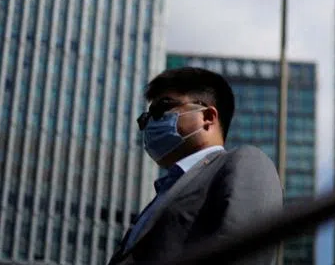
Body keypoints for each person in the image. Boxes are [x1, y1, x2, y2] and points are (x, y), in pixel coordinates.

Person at [108, 67, 283, 265]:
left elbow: (245, 251)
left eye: (161, 109)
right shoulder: (163, 193)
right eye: (145, 118)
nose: (150, 123)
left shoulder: (245, 163)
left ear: (207, 117)